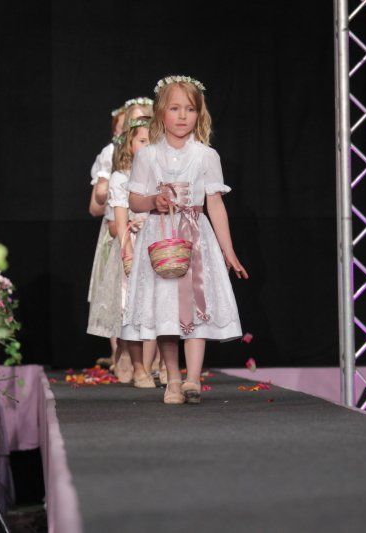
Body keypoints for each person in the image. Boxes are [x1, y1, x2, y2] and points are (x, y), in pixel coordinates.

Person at [123, 75, 248, 405]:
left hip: (196, 237)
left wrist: (228, 250)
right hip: (161, 236)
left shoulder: (206, 155)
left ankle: (193, 378)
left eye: (190, 109)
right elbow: (134, 200)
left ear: (199, 114)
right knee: (166, 309)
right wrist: (154, 201)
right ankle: (174, 379)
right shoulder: (148, 156)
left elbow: (215, 203)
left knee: (195, 306)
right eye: (175, 108)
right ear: (161, 113)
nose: (182, 116)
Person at [87, 98, 153, 380]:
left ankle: (154, 359)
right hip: (120, 227)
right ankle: (123, 352)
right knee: (121, 293)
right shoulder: (112, 156)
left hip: (151, 235)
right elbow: (96, 205)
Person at [107, 116, 161, 388]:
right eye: (142, 141)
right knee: (132, 306)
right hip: (135, 246)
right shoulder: (121, 177)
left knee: (160, 305)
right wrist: (127, 252)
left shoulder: (161, 174)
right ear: (129, 144)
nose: (148, 146)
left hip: (158, 245)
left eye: (153, 141)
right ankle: (138, 366)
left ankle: (160, 364)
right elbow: (119, 222)